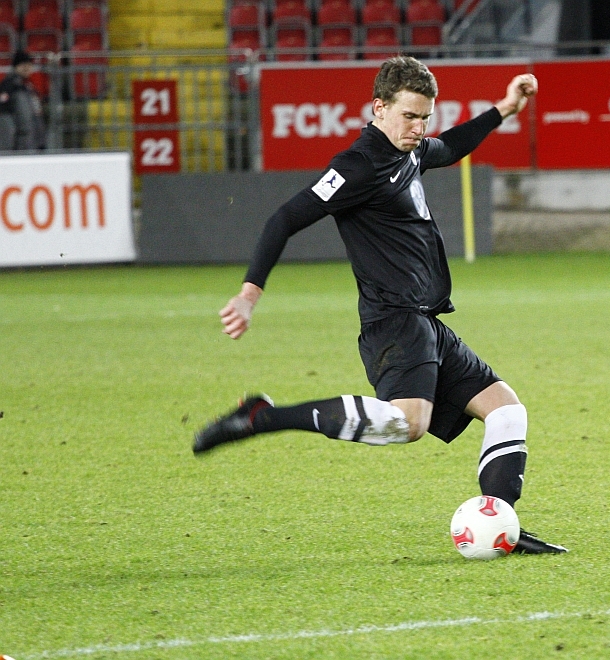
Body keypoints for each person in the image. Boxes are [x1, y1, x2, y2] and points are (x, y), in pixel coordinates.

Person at [194, 56, 566, 555]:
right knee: (407, 424)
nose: (418, 128)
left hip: (427, 322)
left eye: (425, 118)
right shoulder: (358, 165)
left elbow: (450, 146)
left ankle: (499, 523)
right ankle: (264, 417)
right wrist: (249, 293)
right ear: (379, 108)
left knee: (506, 411)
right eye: (409, 116)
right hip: (393, 321)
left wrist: (504, 108)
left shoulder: (409, 151)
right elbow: (285, 218)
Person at [0, 51, 46, 152]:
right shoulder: (8, 86)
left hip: (32, 143)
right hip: (19, 146)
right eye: (23, 65)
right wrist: (8, 149)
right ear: (15, 67)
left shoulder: (29, 87)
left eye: (29, 65)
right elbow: (4, 119)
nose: (27, 68)